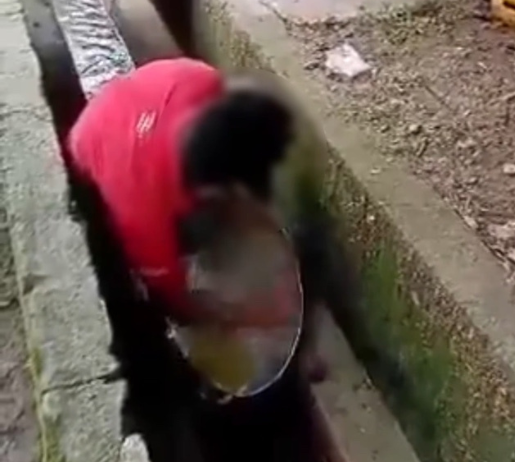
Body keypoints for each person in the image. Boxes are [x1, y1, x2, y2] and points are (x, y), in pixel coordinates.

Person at [67, 57, 326, 385]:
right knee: (145, 294)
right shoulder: (142, 216)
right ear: (209, 190)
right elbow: (179, 304)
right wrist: (245, 316)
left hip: (147, 104)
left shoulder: (204, 79)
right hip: (95, 140)